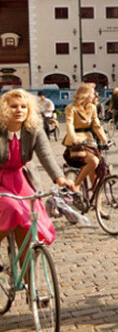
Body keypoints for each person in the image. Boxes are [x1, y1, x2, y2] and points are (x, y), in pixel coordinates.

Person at [0, 89, 75, 263]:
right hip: (2, 181)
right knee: (12, 208)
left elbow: (46, 155)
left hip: (22, 180)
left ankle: (29, 284)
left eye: (23, 107)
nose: (19, 110)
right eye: (14, 106)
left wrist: (60, 179)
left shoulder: (33, 129)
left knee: (28, 224)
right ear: (4, 109)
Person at [62, 83, 109, 191]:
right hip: (76, 144)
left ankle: (97, 204)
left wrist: (105, 140)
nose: (94, 96)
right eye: (92, 93)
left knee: (96, 174)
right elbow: (69, 124)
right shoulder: (71, 108)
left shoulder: (92, 107)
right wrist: (74, 138)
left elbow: (96, 125)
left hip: (89, 141)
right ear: (85, 94)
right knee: (93, 161)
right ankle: (76, 184)